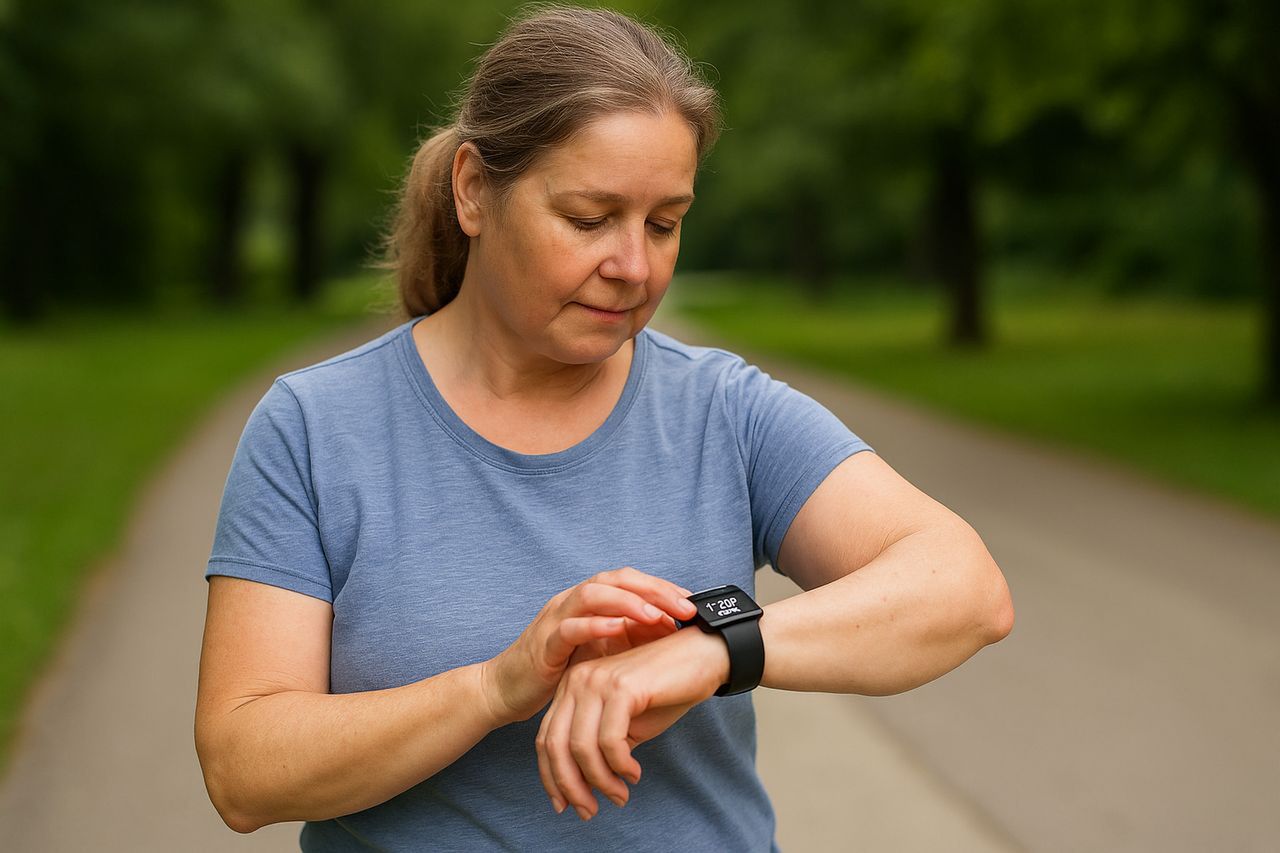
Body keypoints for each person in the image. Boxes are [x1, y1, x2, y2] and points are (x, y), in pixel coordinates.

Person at [194, 5, 1014, 850]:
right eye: (590, 218)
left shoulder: (723, 411)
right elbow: (243, 769)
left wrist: (714, 648)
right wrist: (496, 687)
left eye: (664, 224)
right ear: (474, 190)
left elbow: (964, 590)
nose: (633, 266)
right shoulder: (315, 427)